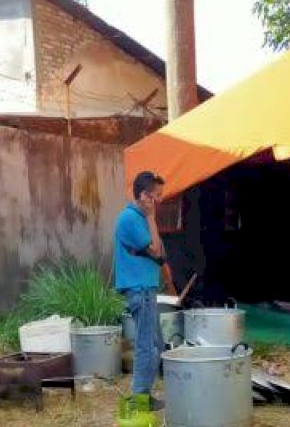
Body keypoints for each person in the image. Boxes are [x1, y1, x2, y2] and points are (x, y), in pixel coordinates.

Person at [114, 170, 177, 410]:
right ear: (143, 196)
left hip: (146, 289)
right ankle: (140, 400)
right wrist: (151, 217)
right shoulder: (130, 219)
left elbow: (160, 253)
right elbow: (155, 250)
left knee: (156, 345)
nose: (160, 201)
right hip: (139, 290)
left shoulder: (140, 218)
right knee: (146, 346)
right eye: (156, 196)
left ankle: (143, 396)